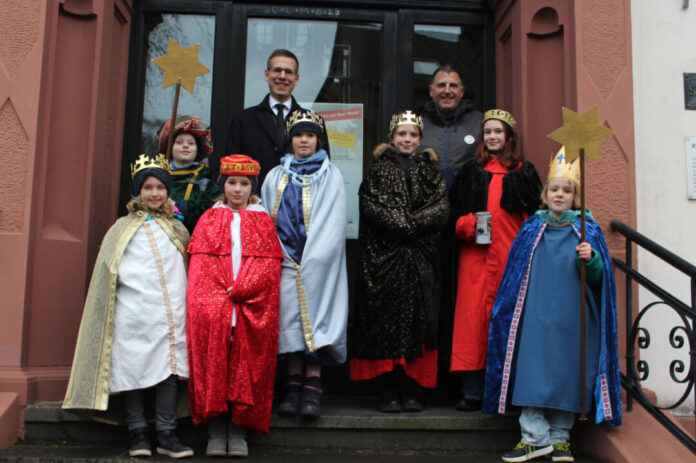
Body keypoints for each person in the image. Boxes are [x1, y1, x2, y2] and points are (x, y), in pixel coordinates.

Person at [484, 148, 622, 462]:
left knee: (567, 373)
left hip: (573, 317)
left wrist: (593, 259)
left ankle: (560, 437)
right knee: (533, 371)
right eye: (555, 189)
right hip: (535, 316)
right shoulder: (533, 228)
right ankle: (534, 437)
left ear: (575, 197)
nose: (560, 195)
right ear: (545, 195)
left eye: (567, 190)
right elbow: (515, 277)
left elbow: (601, 282)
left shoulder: (587, 230)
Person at [63, 154, 193, 459]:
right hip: (132, 315)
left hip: (170, 315)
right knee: (131, 372)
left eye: (160, 187)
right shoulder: (120, 229)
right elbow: (108, 274)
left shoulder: (178, 228)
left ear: (167, 192)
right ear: (138, 192)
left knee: (168, 373)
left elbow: (187, 269)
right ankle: (137, 431)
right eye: (147, 187)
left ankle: (166, 432)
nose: (154, 193)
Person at [350, 110, 449, 412]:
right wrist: (407, 225)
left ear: (420, 139)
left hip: (420, 261)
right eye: (401, 134)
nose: (407, 139)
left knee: (419, 324)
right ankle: (389, 388)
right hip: (386, 260)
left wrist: (411, 225)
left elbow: (441, 208)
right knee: (387, 322)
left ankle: (412, 389)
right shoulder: (379, 171)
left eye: (413, 134)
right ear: (392, 138)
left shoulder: (431, 172)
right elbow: (373, 207)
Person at [186, 154, 283, 458]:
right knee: (216, 364)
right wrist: (217, 298)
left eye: (244, 183)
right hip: (216, 307)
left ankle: (239, 429)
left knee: (245, 367)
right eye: (232, 183)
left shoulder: (263, 221)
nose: (237, 189)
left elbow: (268, 268)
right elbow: (200, 268)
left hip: (249, 307)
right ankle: (216, 430)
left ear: (252, 186)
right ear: (223, 185)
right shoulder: (209, 219)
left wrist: (245, 290)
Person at [449, 109, 542, 411]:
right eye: (487, 132)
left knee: (507, 322)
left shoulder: (524, 172)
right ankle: (472, 391)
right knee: (472, 323)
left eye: (498, 132)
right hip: (475, 260)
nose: (492, 137)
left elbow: (534, 219)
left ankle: (506, 390)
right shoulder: (470, 172)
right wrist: (469, 225)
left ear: (509, 136)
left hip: (509, 260)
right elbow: (453, 218)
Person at [261, 109, 348, 419]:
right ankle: (292, 382)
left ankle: (313, 385)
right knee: (290, 321)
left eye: (310, 135)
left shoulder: (330, 175)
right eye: (298, 135)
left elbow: (333, 221)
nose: (304, 140)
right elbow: (266, 221)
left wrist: (313, 257)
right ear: (290, 140)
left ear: (318, 140)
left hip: (318, 261)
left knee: (317, 319)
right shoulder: (276, 176)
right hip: (284, 260)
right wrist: (281, 255)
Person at [225, 49, 329, 185]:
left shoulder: (313, 121)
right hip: (254, 202)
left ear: (296, 79)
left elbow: (324, 169)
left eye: (288, 72)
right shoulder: (243, 120)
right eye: (277, 70)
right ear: (267, 75)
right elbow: (230, 171)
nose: (282, 76)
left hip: (300, 202)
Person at [420, 65, 483, 189]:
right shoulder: (415, 126)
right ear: (431, 91)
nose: (447, 91)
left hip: (468, 203)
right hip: (427, 204)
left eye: (453, 85)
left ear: (462, 91)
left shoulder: (480, 122)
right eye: (441, 85)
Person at [157, 115, 221, 234]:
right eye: (179, 142)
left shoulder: (207, 186)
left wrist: (183, 208)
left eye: (191, 143)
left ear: (198, 150)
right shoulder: (156, 180)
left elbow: (209, 222)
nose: (185, 146)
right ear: (170, 148)